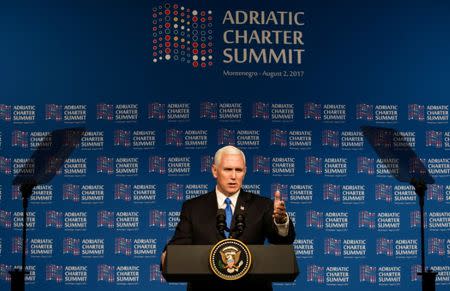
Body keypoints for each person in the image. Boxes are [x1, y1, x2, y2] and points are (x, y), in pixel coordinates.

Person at [161, 145, 295, 291]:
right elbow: (179, 246)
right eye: (227, 169)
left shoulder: (263, 205)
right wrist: (167, 257)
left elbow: (282, 241)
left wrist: (281, 223)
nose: (233, 176)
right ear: (214, 171)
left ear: (244, 172)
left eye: (238, 170)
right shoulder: (193, 207)